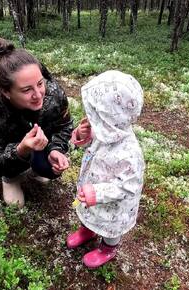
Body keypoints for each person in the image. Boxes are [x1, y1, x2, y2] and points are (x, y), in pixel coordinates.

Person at [0, 38, 73, 208]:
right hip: (9, 152)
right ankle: (10, 179)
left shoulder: (54, 93)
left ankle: (36, 168)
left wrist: (57, 148)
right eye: (27, 90)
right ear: (6, 92)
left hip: (41, 145)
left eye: (40, 83)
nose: (38, 94)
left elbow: (64, 126)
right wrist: (20, 149)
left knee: (49, 171)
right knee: (15, 204)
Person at [67, 70, 145, 269]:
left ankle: (108, 248)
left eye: (96, 115)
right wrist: (81, 135)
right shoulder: (103, 131)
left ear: (110, 118)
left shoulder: (130, 153)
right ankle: (87, 230)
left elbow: (129, 186)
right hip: (90, 192)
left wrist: (99, 192)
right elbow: (88, 148)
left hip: (114, 206)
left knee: (110, 227)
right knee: (88, 212)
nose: (90, 118)